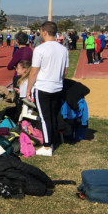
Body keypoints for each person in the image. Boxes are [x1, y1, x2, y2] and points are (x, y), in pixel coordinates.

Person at [26, 21, 69, 157]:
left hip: (43, 87)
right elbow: (65, 71)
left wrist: (28, 89)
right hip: (57, 86)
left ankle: (46, 146)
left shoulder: (40, 49)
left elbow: (34, 72)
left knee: (45, 118)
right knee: (53, 114)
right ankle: (53, 139)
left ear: (44, 32)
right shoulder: (63, 49)